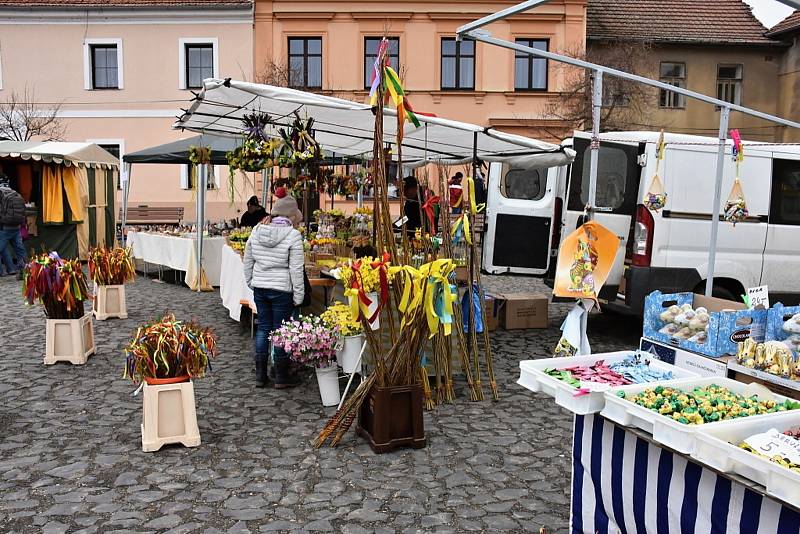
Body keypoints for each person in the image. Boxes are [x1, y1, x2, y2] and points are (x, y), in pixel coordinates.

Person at [243, 192, 305, 389]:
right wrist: (299, 295)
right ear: (291, 216)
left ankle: (261, 375)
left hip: (261, 287)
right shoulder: (293, 235)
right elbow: (296, 269)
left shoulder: (257, 230)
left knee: (263, 329)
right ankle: (280, 375)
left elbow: (248, 260)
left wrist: (251, 281)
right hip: (281, 289)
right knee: (280, 331)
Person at [0, 170, 26, 278]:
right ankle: (25, 269)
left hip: (4, 226)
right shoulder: (14, 192)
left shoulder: (1, 193)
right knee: (19, 249)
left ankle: (1, 272)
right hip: (16, 226)